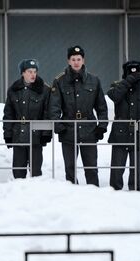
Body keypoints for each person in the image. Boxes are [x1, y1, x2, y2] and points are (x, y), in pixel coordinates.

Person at [48, 45, 108, 186]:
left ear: (83, 60)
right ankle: (71, 196)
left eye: (79, 59)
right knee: (70, 168)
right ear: (68, 61)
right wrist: (58, 125)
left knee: (91, 167)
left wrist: (102, 126)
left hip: (89, 129)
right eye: (73, 59)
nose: (76, 62)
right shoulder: (60, 81)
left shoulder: (94, 80)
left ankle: (93, 193)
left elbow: (101, 107)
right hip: (68, 129)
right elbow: (54, 106)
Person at [107, 60, 140, 191]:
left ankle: (136, 191)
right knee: (117, 169)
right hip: (120, 133)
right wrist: (127, 81)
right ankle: (114, 193)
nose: (134, 76)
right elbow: (115, 96)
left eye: (136, 73)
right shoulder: (117, 87)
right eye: (130, 73)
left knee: (136, 169)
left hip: (138, 132)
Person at [3, 59, 52, 178]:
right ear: (22, 73)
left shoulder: (44, 90)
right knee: (18, 172)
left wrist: (46, 133)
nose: (33, 74)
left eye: (35, 71)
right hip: (18, 135)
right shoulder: (13, 89)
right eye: (29, 71)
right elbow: (8, 113)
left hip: (36, 137)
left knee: (36, 172)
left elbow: (47, 113)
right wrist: (8, 134)